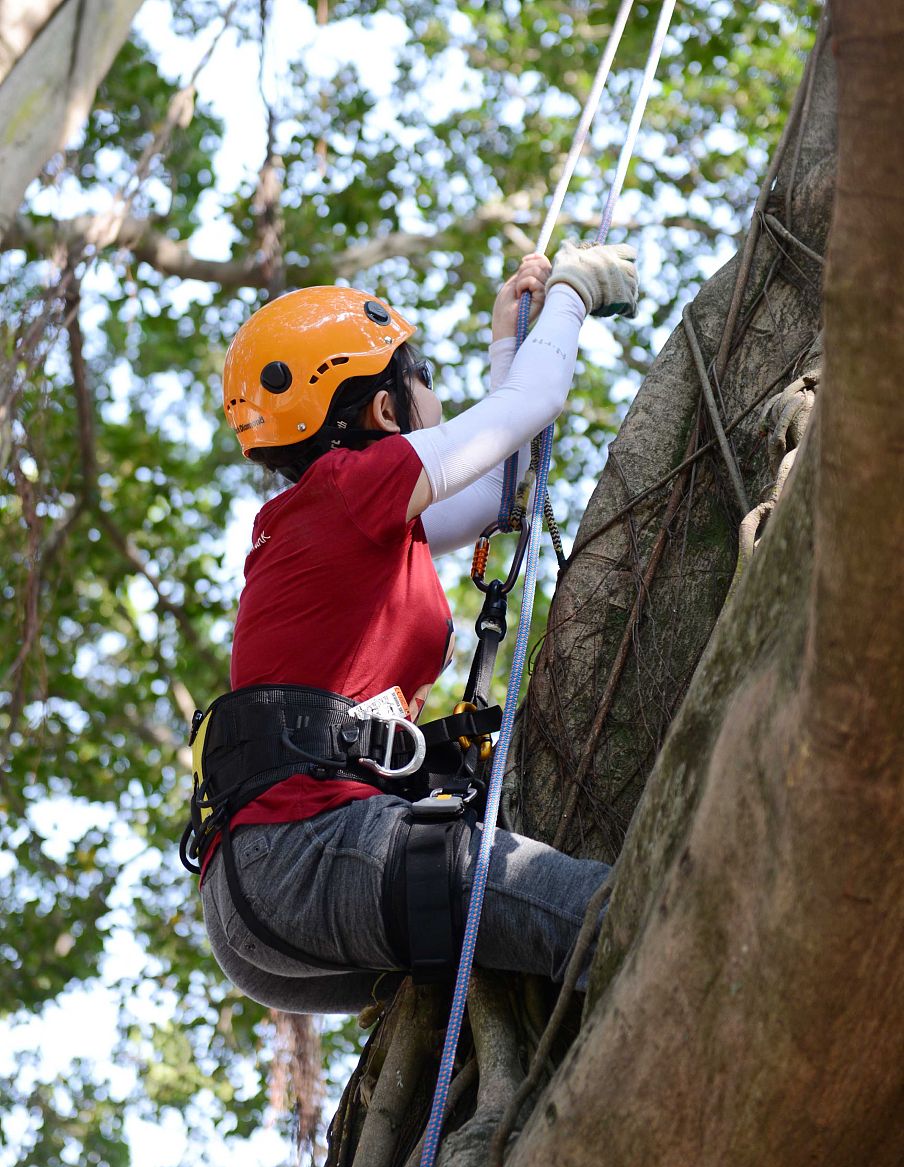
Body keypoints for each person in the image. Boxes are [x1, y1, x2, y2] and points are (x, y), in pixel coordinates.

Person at [191, 241, 639, 1014]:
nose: (436, 396)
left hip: (272, 897)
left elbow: (504, 482)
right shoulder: (348, 487)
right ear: (385, 409)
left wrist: (511, 339)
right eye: (422, 377)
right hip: (312, 858)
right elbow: (522, 412)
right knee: (629, 923)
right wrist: (572, 292)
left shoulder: (348, 521)